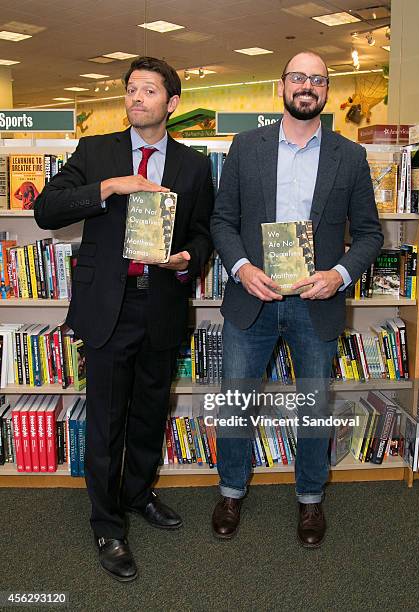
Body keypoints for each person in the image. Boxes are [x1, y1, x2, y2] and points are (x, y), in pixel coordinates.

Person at [34, 57, 214, 581]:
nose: (137, 98)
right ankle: (107, 523)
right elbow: (47, 210)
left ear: (171, 103)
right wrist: (110, 187)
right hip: (108, 306)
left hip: (161, 302)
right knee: (107, 418)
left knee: (149, 412)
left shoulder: (194, 165)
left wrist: (188, 260)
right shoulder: (97, 152)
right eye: (131, 90)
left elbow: (202, 232)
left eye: (149, 91)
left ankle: (138, 494)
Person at [210, 51, 383, 547]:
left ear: (327, 91)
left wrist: (339, 275)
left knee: (313, 405)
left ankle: (310, 500)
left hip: (317, 302)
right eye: (298, 77)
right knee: (238, 405)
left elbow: (369, 234)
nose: (307, 86)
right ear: (281, 85)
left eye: (318, 80)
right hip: (253, 299)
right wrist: (242, 269)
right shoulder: (246, 147)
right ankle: (230, 491)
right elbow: (222, 220)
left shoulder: (349, 156)